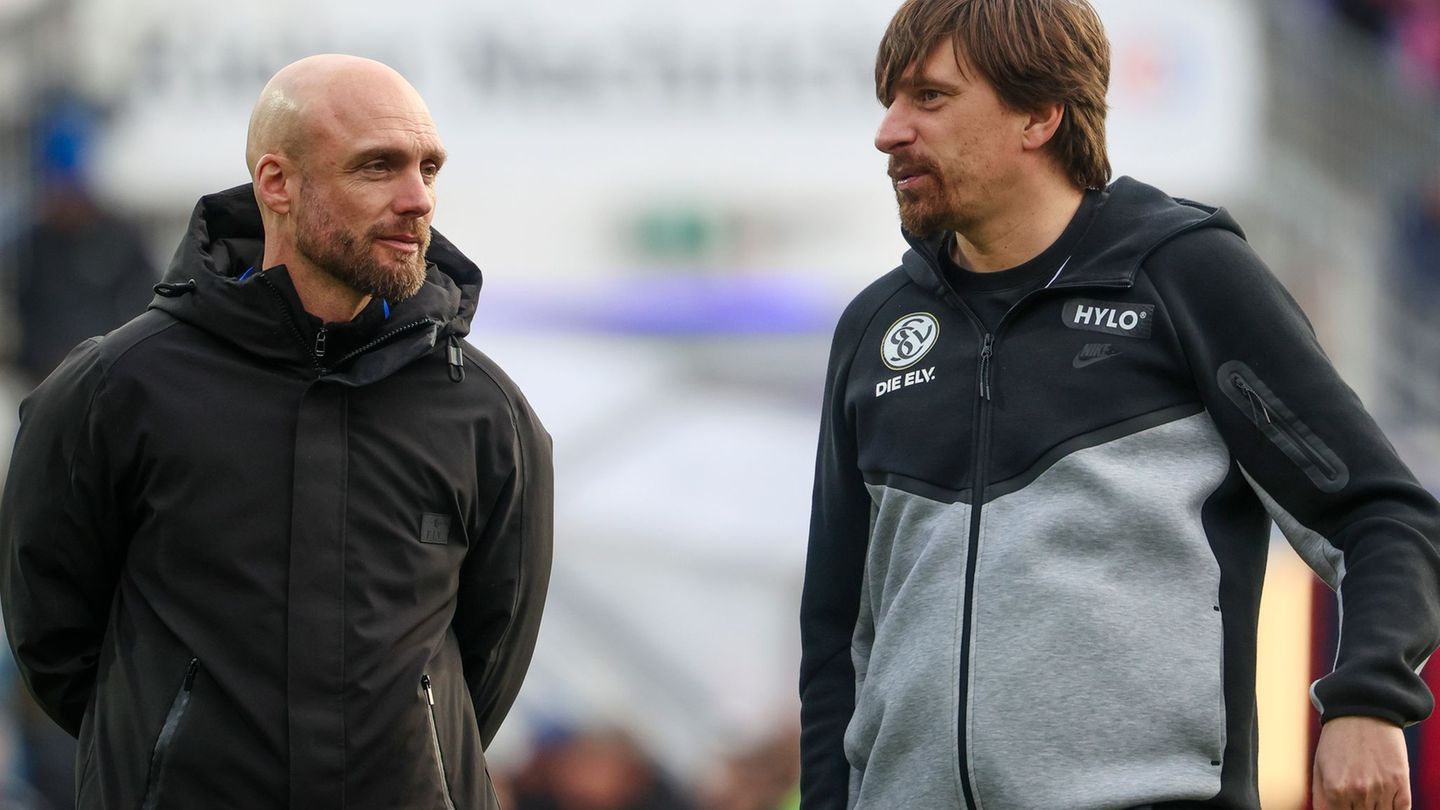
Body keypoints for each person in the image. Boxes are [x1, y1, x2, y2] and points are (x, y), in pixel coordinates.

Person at [798, 2, 1440, 809]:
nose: (889, 131)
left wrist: (1367, 701)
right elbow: (834, 644)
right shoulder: (875, 328)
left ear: (1039, 114)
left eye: (928, 98)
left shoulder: (1186, 275)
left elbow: (1383, 518)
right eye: (889, 100)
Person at [0, 55, 553, 809]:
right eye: (378, 168)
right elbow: (53, 638)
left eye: (428, 168)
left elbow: (491, 657)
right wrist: (172, 748)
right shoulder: (116, 388)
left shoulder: (488, 413)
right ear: (277, 184)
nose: (417, 198)